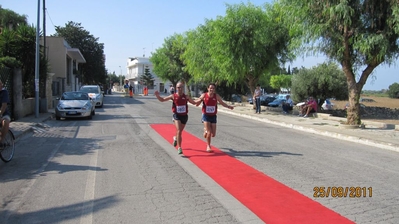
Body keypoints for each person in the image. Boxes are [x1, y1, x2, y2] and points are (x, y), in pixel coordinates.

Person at [154, 82, 197, 155]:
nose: (179, 89)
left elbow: (193, 102)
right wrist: (158, 96)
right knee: (179, 130)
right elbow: (163, 100)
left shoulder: (186, 96)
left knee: (179, 132)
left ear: (183, 88)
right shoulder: (173, 96)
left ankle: (175, 138)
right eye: (178, 87)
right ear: (176, 88)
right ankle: (180, 148)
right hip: (176, 115)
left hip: (184, 116)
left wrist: (201, 100)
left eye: (181, 87)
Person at [197, 83, 234, 153]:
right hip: (206, 115)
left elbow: (222, 103)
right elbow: (197, 101)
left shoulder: (216, 96)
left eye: (213, 88)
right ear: (208, 88)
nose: (212, 89)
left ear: (214, 89)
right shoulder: (204, 95)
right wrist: (196, 102)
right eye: (210, 88)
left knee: (213, 134)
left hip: (213, 116)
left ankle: (205, 130)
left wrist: (229, 107)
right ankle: (208, 146)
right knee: (209, 132)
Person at [0, 80, 11, 148]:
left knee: (5, 122)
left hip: (4, 114)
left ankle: (1, 140)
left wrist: (0, 114)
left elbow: (4, 105)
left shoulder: (4, 92)